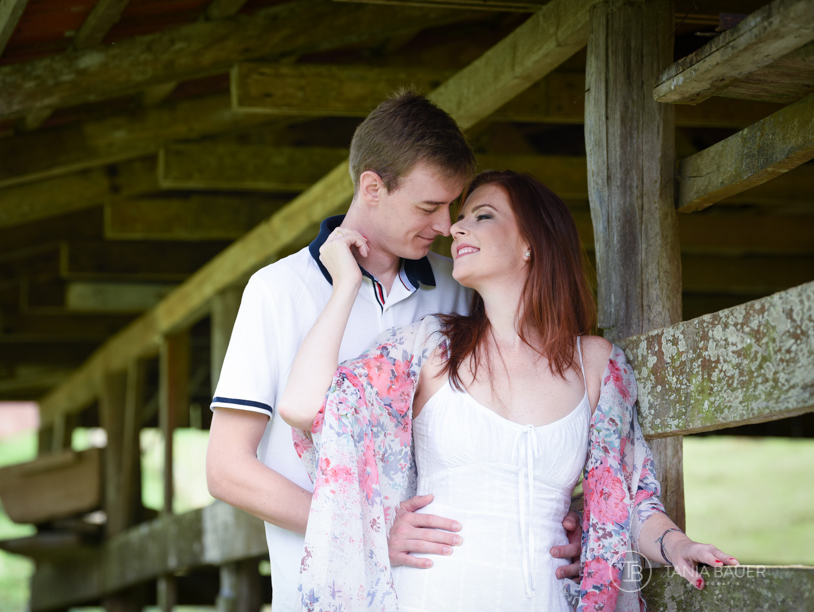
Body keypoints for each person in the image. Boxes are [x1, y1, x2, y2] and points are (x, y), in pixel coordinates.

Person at [279, 170, 739, 611]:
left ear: (530, 245)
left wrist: (678, 545)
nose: (455, 227)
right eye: (461, 218)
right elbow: (303, 407)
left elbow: (628, 494)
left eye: (481, 215)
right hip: (428, 598)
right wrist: (346, 285)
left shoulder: (597, 364)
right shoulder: (428, 348)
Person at [206, 93, 584, 611]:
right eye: (429, 207)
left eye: (453, 206)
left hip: (436, 588)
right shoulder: (278, 290)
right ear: (372, 188)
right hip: (319, 593)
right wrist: (369, 531)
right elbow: (227, 469)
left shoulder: (458, 289)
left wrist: (563, 514)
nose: (447, 225)